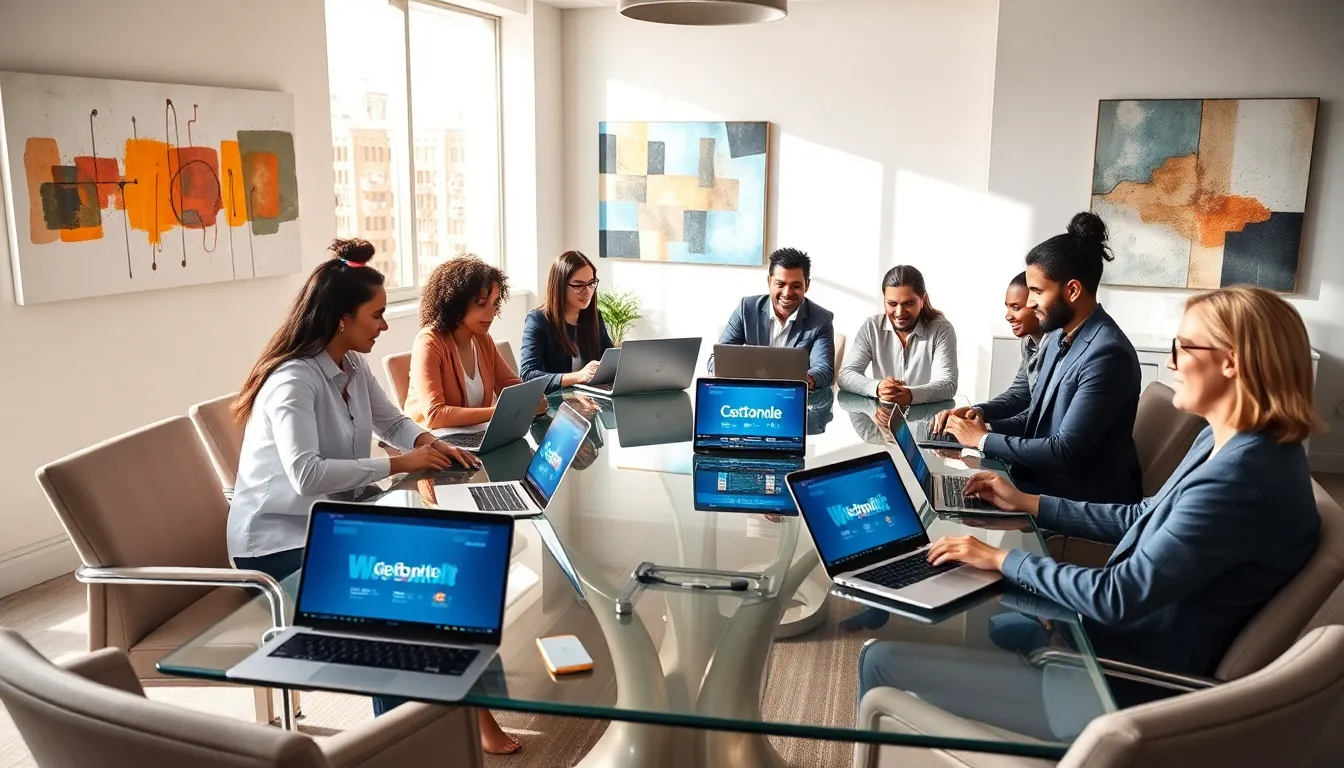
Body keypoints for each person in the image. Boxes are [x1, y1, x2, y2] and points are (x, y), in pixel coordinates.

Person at [863, 285, 1323, 738]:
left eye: (1182, 347)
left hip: (1122, 682)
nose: (1170, 362)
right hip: (1120, 638)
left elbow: (1117, 594)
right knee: (981, 609)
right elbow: (1142, 515)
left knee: (880, 659)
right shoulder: (1233, 441)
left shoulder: (1239, 479)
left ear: (1231, 362)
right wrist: (1028, 503)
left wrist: (1002, 559)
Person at [225, 240, 518, 755]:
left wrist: (428, 442)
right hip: (276, 549)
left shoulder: (353, 366)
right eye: (377, 315)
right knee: (396, 614)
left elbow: (394, 421)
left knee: (447, 571)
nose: (385, 326)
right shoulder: (293, 380)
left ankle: (461, 715)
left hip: (333, 527)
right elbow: (305, 474)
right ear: (342, 319)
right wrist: (402, 463)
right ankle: (399, 748)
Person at [940, 213, 1143, 503]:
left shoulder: (1108, 354)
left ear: (1072, 290)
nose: (1030, 301)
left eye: (1037, 291)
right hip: (1040, 479)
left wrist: (982, 440)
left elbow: (1065, 451)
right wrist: (980, 422)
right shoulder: (1057, 338)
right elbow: (1035, 419)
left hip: (1079, 498)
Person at [403, 256, 542, 429]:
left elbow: (509, 385)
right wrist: (501, 411)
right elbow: (435, 415)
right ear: (456, 303)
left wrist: (532, 398)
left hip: (474, 435)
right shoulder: (429, 342)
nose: (492, 313)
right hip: (434, 444)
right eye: (482, 304)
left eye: (495, 303)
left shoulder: (481, 338)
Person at [713, 247, 835, 390]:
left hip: (792, 397)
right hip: (748, 395)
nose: (787, 293)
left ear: (807, 285)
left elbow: (824, 370)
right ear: (769, 282)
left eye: (796, 286)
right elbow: (718, 360)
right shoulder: (746, 309)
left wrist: (805, 380)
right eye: (780, 284)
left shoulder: (821, 319)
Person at [838, 265, 957, 404]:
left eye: (909, 303)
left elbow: (948, 384)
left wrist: (910, 395)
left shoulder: (941, 329)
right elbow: (845, 375)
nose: (899, 312)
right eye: (892, 303)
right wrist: (877, 388)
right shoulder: (872, 327)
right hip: (884, 418)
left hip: (926, 421)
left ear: (922, 300)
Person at [520, 250, 614, 394]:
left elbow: (611, 358)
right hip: (555, 405)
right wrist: (577, 376)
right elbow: (528, 376)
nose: (588, 292)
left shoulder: (593, 317)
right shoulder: (538, 320)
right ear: (560, 286)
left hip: (589, 400)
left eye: (591, 283)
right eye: (578, 285)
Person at [972, 272, 1044, 421]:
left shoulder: (1061, 347)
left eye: (1016, 308)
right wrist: (976, 412)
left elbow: (1040, 414)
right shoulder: (1028, 341)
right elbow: (1018, 397)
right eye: (1008, 307)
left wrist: (985, 431)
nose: (1008, 316)